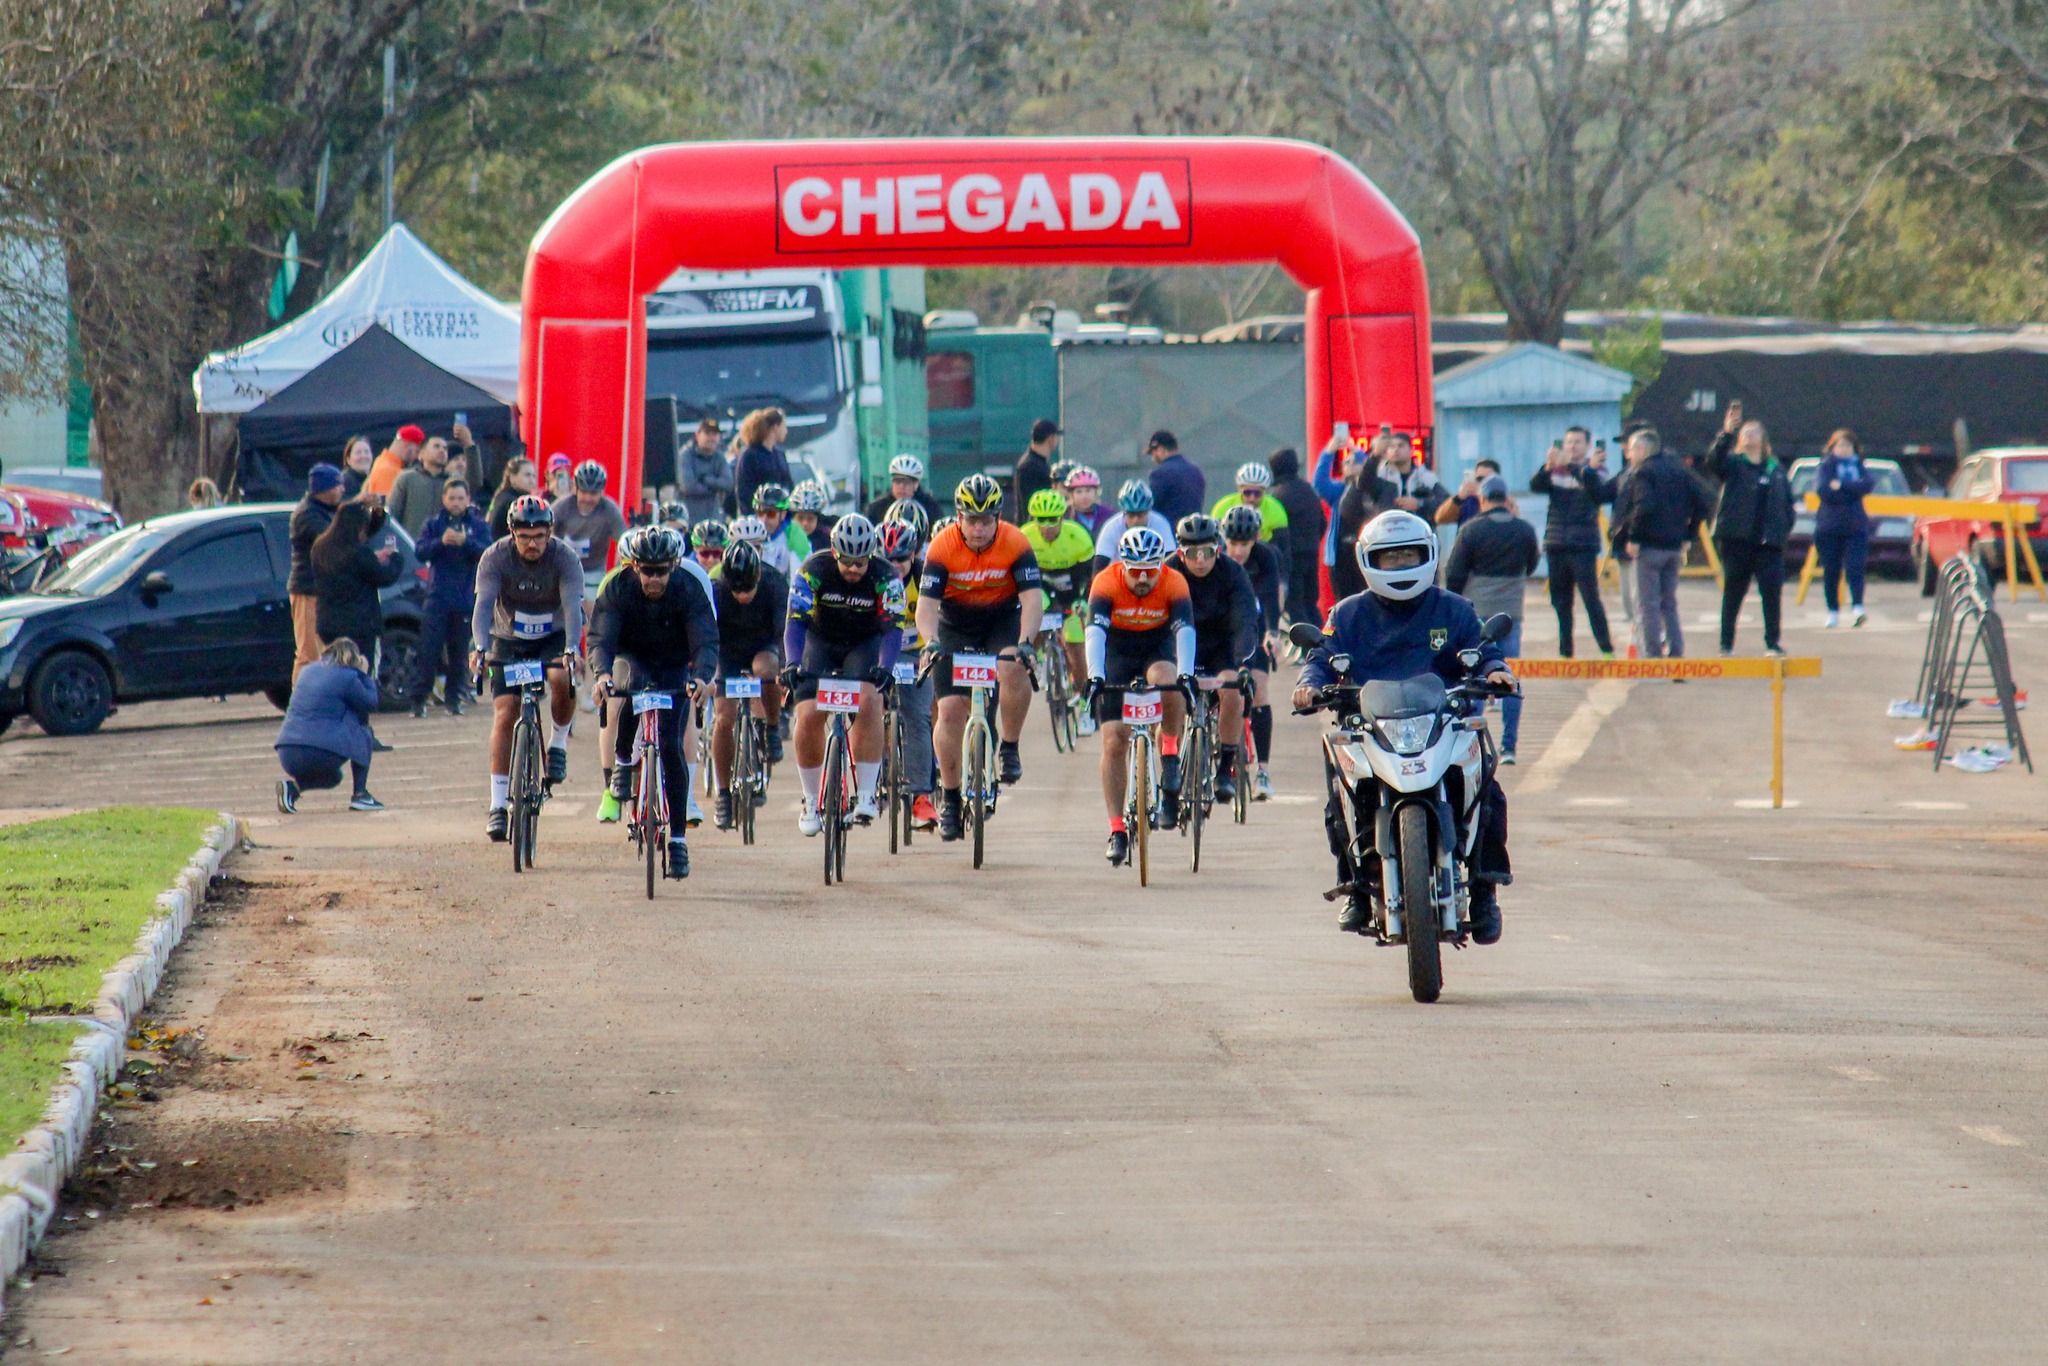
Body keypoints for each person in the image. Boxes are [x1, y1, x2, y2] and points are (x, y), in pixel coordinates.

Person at [1296, 511, 1517, 944]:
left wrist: (1495, 671)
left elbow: (1482, 648)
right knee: (1341, 799)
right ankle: (1357, 887)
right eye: (1389, 557)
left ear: (1430, 554)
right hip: (1371, 728)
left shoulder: (1455, 609)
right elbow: (1320, 658)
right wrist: (1308, 686)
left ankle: (1484, 891)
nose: (1399, 565)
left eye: (1408, 556)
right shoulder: (1347, 614)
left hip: (1443, 723)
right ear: (1367, 561)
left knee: (1487, 792)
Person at [916, 474, 1045, 840]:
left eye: (986, 520)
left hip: (1001, 622)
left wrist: (1026, 641)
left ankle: (1009, 747)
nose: (978, 528)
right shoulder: (942, 547)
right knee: (951, 710)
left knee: (1013, 670)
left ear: (998, 518)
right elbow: (927, 607)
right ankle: (953, 798)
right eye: (971, 520)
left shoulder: (1015, 542)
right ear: (958, 517)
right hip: (955, 625)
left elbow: (1033, 599)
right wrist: (929, 641)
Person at [591, 526, 719, 878]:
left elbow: (706, 641)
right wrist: (601, 674)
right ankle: (621, 762)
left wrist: (702, 678)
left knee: (669, 743)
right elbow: (601, 638)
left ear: (675, 565)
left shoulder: (689, 588)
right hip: (633, 657)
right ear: (634, 566)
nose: (654, 578)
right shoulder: (617, 587)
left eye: (661, 570)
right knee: (625, 688)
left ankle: (677, 840)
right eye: (647, 570)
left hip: (675, 664)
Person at [471, 495, 585, 842]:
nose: (532, 543)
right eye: (524, 536)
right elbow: (483, 605)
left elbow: (572, 606)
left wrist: (571, 649)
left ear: (550, 532)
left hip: (553, 634)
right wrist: (479, 648)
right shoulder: (494, 557)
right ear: (512, 533)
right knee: (506, 713)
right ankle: (497, 805)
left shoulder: (564, 557)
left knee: (561, 676)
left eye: (539, 536)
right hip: (508, 637)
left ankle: (559, 744)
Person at [783, 515, 907, 833]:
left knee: (868, 700)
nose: (854, 569)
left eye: (861, 563)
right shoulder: (813, 569)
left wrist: (885, 667)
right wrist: (793, 663)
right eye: (848, 562)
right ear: (835, 554)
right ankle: (811, 799)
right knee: (808, 714)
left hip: (864, 644)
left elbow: (893, 628)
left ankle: (866, 794)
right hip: (820, 642)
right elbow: (795, 621)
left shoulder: (886, 575)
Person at [1084, 525, 1195, 866]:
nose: (1144, 578)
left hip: (1156, 647)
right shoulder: (1105, 581)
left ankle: (1171, 750)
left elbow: (1185, 631)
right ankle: (1117, 829)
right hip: (1117, 651)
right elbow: (1095, 633)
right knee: (1115, 740)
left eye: (1151, 570)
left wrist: (1187, 674)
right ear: (1123, 566)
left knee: (1169, 678)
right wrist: (1094, 676)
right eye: (1136, 572)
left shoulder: (1174, 582)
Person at [1444, 477, 1540, 763]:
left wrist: (1453, 607)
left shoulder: (1471, 529)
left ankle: (1470, 739)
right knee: (1508, 677)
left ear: (1483, 500)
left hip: (1477, 613)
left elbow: (1455, 573)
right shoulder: (1524, 530)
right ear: (1506, 499)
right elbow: (1532, 563)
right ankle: (1509, 746)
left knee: (1473, 677)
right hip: (1511, 613)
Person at [1167, 513, 1261, 803]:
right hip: (1181, 643)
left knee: (1233, 693)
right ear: (1179, 552)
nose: (1199, 561)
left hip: (1221, 645)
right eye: (1191, 553)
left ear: (1217, 549)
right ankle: (1169, 765)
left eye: (1207, 552)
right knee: (1170, 696)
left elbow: (1245, 620)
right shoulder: (1168, 572)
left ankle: (1224, 768)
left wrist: (1243, 663)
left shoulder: (1232, 572)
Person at [1609, 426, 1709, 664]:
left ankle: (1652, 658)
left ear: (1642, 449)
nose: (1628, 455)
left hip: (1649, 548)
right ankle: (1676, 653)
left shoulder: (1643, 472)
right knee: (1669, 603)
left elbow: (1645, 506)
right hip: (1674, 547)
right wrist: (1689, 534)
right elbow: (1703, 504)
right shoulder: (1680, 470)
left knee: (1647, 605)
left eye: (1631, 450)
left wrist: (1633, 537)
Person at [709, 538, 789, 830]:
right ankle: (724, 794)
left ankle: (770, 728)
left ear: (758, 577)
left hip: (763, 645)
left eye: (748, 589)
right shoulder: (715, 588)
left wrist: (787, 668)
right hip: (726, 650)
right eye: (737, 589)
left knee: (766, 668)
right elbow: (703, 633)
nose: (742, 595)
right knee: (724, 719)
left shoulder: (775, 584)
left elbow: (784, 632)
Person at [1704, 408, 1795, 656]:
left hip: (1769, 543)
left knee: (1772, 592)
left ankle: (1772, 642)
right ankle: (1726, 643)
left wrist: (1782, 530)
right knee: (1734, 591)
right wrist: (1726, 433)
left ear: (1764, 439)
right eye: (1745, 433)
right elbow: (1713, 462)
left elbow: (1787, 504)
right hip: (1737, 540)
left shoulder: (1775, 469)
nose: (1750, 437)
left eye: (1755, 433)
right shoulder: (1734, 464)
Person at [1529, 426, 1615, 658]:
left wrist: (1571, 466)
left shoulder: (1594, 468)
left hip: (1583, 544)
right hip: (1556, 542)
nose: (1572, 447)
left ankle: (1606, 648)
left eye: (1577, 442)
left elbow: (1597, 490)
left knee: (1591, 599)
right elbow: (1535, 486)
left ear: (1587, 445)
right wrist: (1548, 467)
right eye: (1568, 442)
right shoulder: (1555, 471)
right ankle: (1565, 652)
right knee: (1561, 601)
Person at [1020, 487, 1100, 733]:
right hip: (1041, 587)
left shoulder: (1078, 537)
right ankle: (1040, 660)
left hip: (1071, 591)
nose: (1046, 526)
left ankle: (1086, 704)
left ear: (1063, 517)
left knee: (1076, 645)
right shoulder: (1024, 537)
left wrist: (1084, 600)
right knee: (1035, 616)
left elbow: (1092, 576)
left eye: (1052, 520)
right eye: (1040, 520)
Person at [274, 638, 383, 814]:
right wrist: (364, 674)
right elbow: (371, 703)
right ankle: (361, 795)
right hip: (320, 753)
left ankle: (292, 789)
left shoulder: (307, 671)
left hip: (287, 751)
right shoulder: (348, 676)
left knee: (333, 777)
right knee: (363, 728)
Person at [879, 514, 938, 830]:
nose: (895, 564)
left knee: (918, 716)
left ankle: (920, 797)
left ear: (914, 554)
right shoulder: (872, 577)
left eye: (901, 558)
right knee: (866, 708)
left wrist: (932, 651)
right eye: (888, 559)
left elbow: (940, 617)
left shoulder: (926, 576)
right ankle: (872, 773)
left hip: (917, 651)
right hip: (879, 651)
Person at [413, 479, 490, 717]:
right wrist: (441, 542)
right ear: (444, 500)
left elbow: (487, 552)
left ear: (468, 499)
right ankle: (419, 700)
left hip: (465, 599)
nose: (456, 503)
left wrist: (466, 542)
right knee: (428, 651)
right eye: (452, 498)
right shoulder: (434, 524)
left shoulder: (477, 525)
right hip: (436, 598)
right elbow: (420, 551)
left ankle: (454, 699)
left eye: (460, 498)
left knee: (459, 655)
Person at [1220, 503, 1281, 798]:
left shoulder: (1265, 557)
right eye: (1233, 544)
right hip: (1223, 630)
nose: (1239, 551)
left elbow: (1270, 598)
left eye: (1245, 544)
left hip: (1254, 629)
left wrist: (1273, 632)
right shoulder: (1217, 559)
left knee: (1259, 692)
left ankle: (1264, 771)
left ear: (1255, 540)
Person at [310, 497, 403, 669]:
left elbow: (352, 567)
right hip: (359, 626)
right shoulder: (358, 553)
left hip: (328, 624)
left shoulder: (320, 548)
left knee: (333, 672)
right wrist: (396, 558)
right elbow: (385, 576)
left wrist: (376, 514)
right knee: (361, 673)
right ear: (357, 526)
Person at [288, 464, 345, 684]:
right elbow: (331, 541)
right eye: (337, 484)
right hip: (307, 590)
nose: (342, 489)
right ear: (323, 488)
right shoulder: (307, 515)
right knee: (308, 654)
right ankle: (301, 706)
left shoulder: (326, 511)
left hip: (323, 591)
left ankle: (319, 703)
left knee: (325, 653)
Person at [1814, 427, 1874, 628]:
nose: (1844, 449)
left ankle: (1858, 607)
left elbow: (1867, 485)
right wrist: (1852, 491)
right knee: (1831, 570)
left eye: (1848, 445)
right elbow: (1823, 490)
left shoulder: (1859, 465)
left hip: (1856, 526)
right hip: (1829, 527)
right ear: (1833, 447)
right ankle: (1833, 611)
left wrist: (1841, 485)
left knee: (1855, 567)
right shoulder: (1826, 466)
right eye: (1840, 445)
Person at [1313, 433, 1381, 605]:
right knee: (1344, 602)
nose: (1351, 466)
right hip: (1341, 554)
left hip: (1367, 549)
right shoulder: (1339, 490)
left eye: (1355, 462)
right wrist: (1330, 450)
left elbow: (1371, 467)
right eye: (1347, 462)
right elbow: (1319, 483)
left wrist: (1353, 448)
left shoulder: (1372, 489)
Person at [552, 460, 629, 599]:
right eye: (584, 492)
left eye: (593, 494)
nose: (588, 498)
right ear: (575, 489)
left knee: (594, 607)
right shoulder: (561, 507)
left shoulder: (609, 510)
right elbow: (545, 535)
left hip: (594, 573)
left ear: (602, 492)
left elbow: (624, 542)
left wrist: (618, 572)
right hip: (563, 570)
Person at [1266, 448, 1325, 626]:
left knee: (1295, 605)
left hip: (1291, 558)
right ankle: (1325, 644)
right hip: (1312, 552)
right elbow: (1322, 522)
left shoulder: (1277, 496)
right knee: (1310, 604)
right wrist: (1312, 541)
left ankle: (1309, 649)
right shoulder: (1309, 490)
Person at [388, 427, 468, 538]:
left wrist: (471, 446)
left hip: (444, 548)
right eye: (436, 446)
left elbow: (475, 483)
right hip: (412, 547)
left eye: (445, 448)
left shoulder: (454, 482)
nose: (442, 450)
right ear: (422, 454)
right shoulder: (406, 479)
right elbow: (392, 517)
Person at [1209, 461, 1292, 564]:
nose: (1252, 498)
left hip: (1262, 559)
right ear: (1239, 489)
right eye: (1247, 493)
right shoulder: (1222, 507)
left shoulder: (1276, 510)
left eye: (1257, 493)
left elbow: (1283, 550)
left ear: (1265, 491)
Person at [1090, 479, 1176, 575]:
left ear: (1148, 511)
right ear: (1123, 512)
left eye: (1140, 515)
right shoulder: (1111, 527)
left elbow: (1171, 562)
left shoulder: (1160, 524)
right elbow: (1099, 567)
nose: (1135, 520)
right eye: (1131, 515)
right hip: (1120, 579)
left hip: (1153, 578)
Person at [733, 407, 795, 513]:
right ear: (775, 427)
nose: (786, 431)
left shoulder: (779, 454)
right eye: (784, 426)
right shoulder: (749, 455)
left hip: (779, 517)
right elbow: (744, 492)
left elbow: (789, 484)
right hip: (759, 516)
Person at [678, 417, 735, 525]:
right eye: (707, 433)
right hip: (690, 522)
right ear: (697, 435)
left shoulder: (720, 458)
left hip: (714, 522)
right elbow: (688, 486)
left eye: (715, 434)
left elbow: (728, 484)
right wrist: (715, 488)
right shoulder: (686, 456)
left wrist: (707, 479)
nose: (711, 437)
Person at [1145, 429, 1206, 525]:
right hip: (1194, 531)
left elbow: (1149, 507)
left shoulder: (1160, 474)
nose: (1153, 458)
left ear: (1160, 449)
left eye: (1153, 453)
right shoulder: (1196, 471)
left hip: (1170, 533)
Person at [864, 453, 945, 524]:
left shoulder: (930, 507)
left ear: (916, 484)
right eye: (897, 481)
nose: (901, 486)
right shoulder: (876, 508)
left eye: (907, 482)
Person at [751, 482, 811, 577]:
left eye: (771, 514)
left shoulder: (795, 535)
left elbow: (800, 577)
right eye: (760, 513)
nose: (764, 519)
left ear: (783, 514)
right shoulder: (746, 528)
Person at [1433, 458, 1509, 528]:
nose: (1483, 483)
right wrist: (1459, 498)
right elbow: (1440, 518)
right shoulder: (1468, 501)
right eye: (1480, 479)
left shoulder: (1504, 500)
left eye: (1487, 479)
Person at [1011, 418, 1060, 521]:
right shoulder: (1030, 467)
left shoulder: (1035, 463)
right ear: (1051, 438)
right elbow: (1028, 505)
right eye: (1056, 437)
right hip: (1034, 527)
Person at [364, 424, 424, 498]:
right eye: (416, 451)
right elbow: (387, 506)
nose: (416, 457)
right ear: (406, 445)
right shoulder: (388, 470)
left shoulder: (382, 461)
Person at [487, 456, 538, 540]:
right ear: (512, 477)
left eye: (534, 476)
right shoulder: (510, 503)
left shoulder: (501, 496)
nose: (531, 480)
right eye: (527, 475)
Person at [1063, 465, 1115, 537]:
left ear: (1096, 492)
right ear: (1071, 494)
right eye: (1079, 492)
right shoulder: (1065, 516)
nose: (1084, 496)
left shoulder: (1108, 514)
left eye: (1088, 490)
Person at [790, 480, 836, 550]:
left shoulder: (829, 540)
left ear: (818, 519)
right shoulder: (784, 539)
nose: (805, 523)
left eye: (810, 518)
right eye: (800, 518)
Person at [339, 436, 375, 500]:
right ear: (348, 460)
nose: (363, 456)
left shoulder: (374, 478)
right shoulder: (344, 482)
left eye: (366, 452)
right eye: (358, 452)